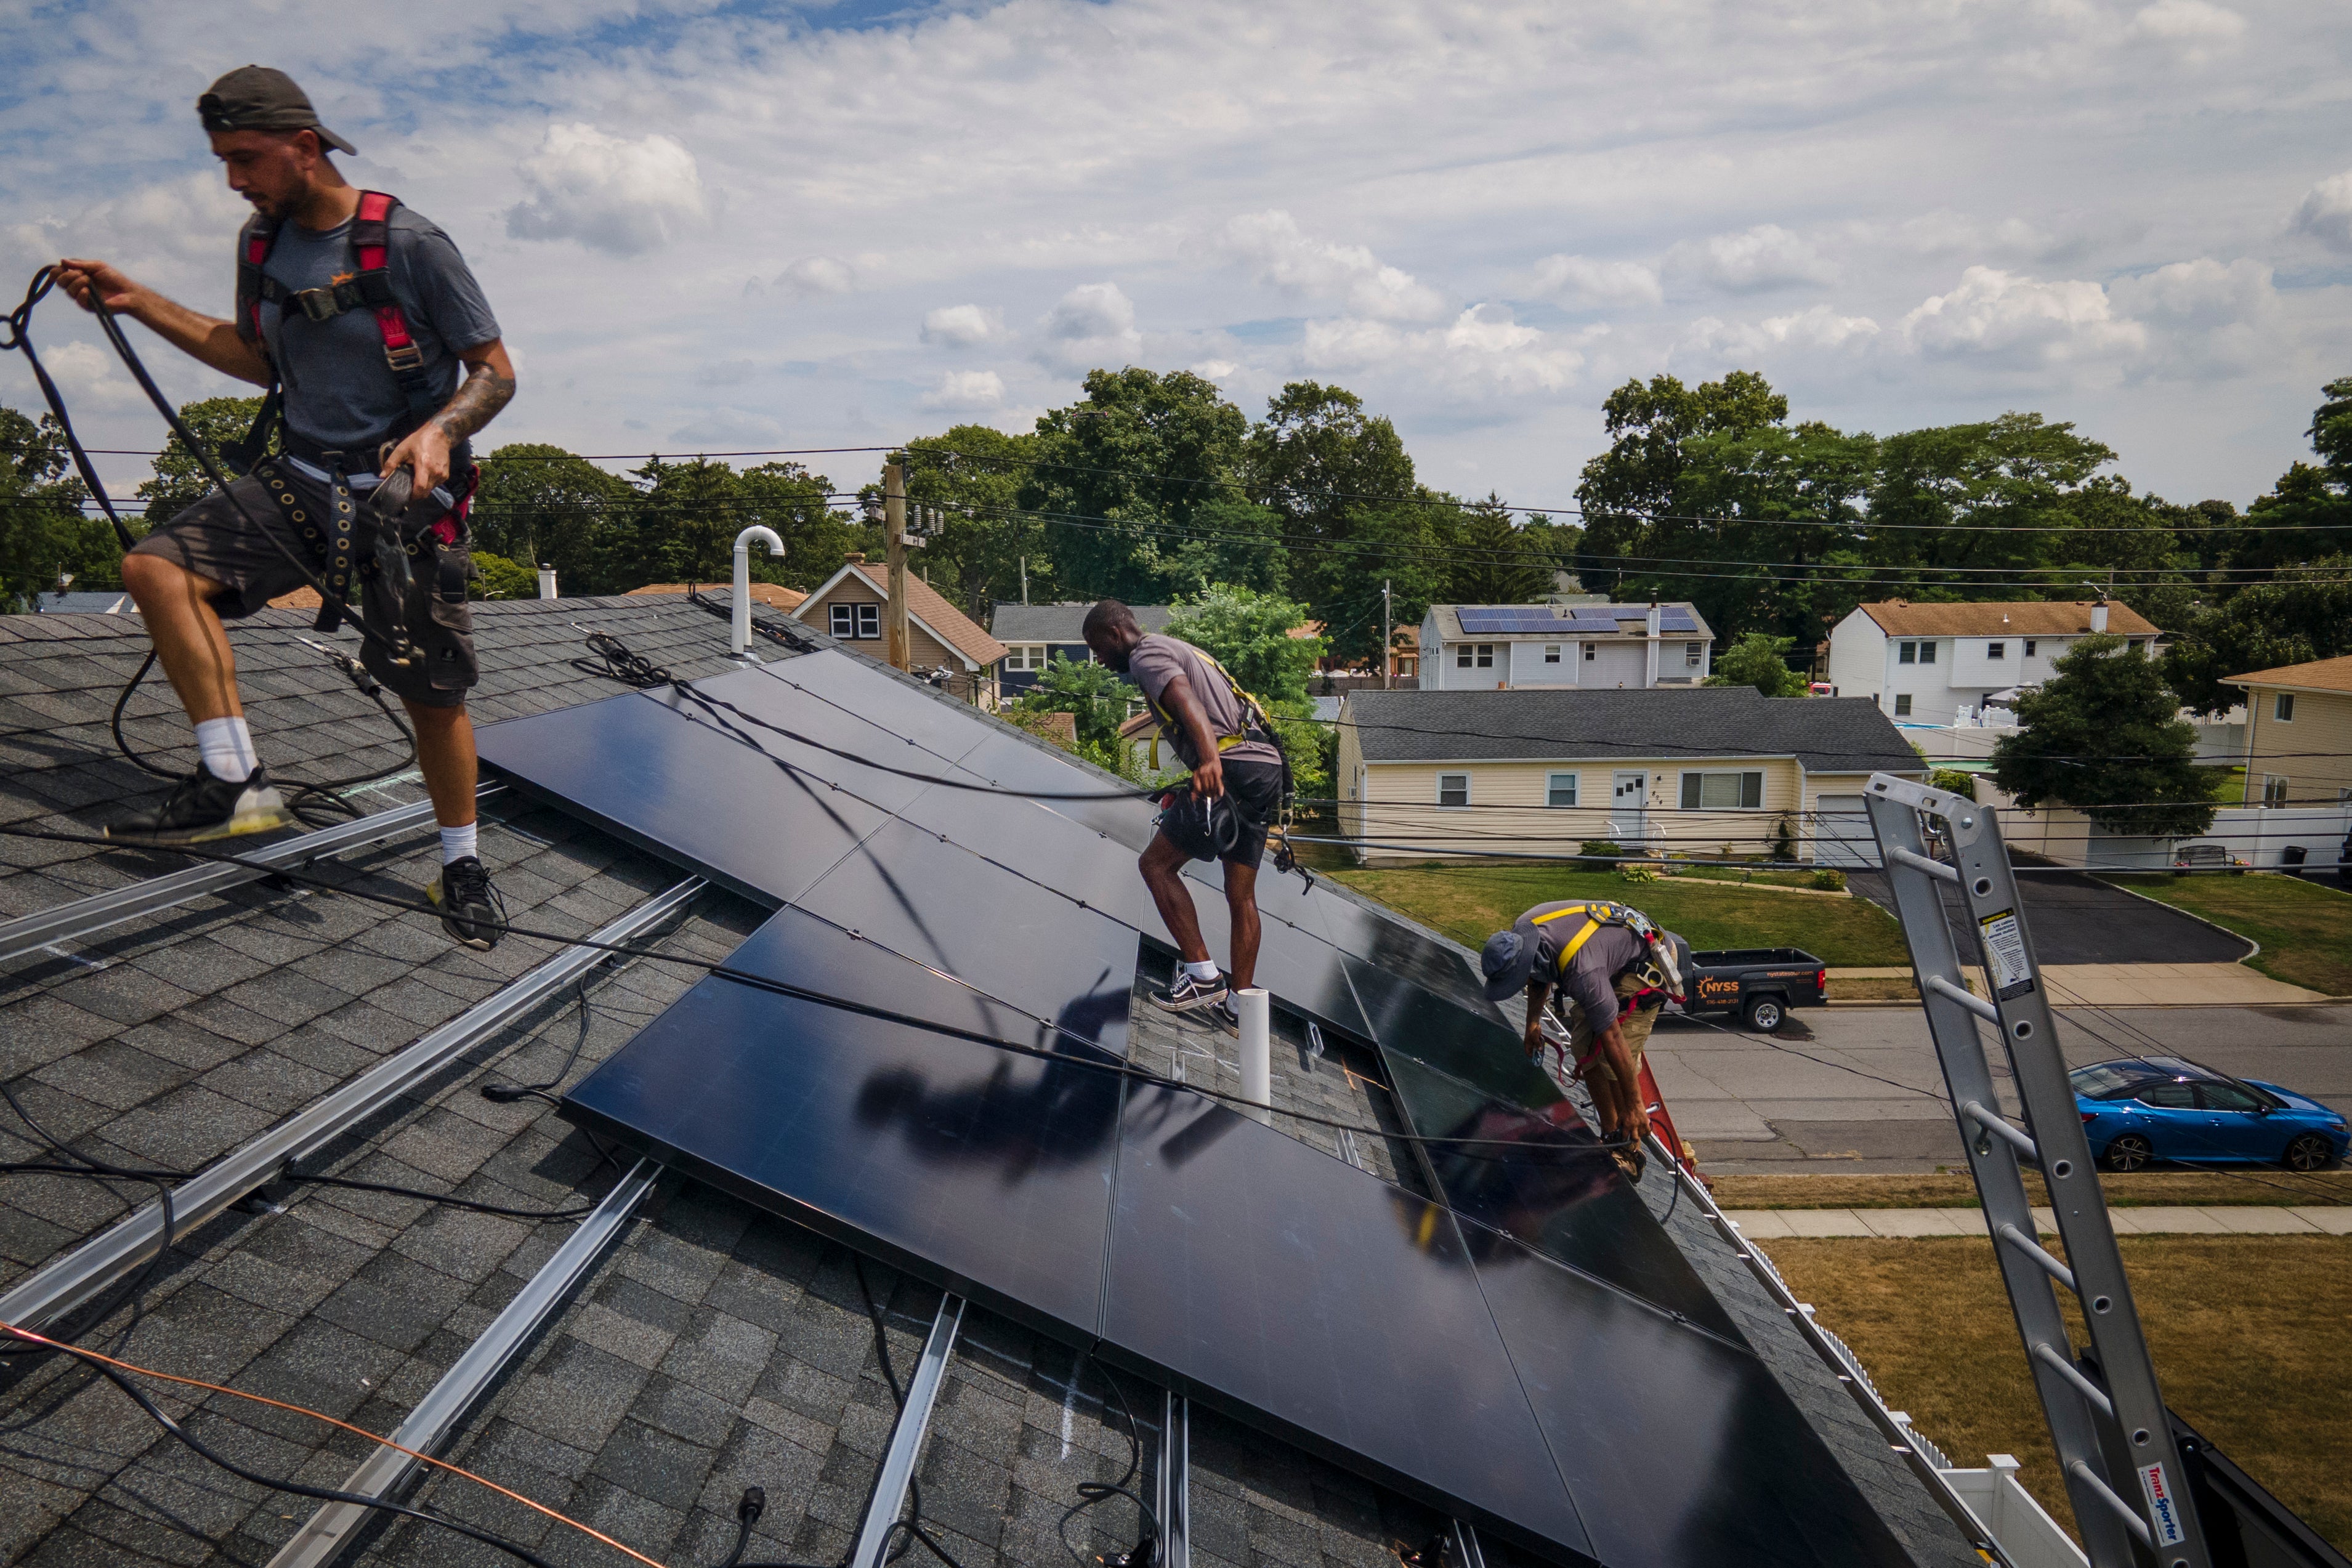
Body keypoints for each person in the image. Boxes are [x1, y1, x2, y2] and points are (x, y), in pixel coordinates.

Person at [55, 66, 515, 950]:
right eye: (224, 161)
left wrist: (439, 432)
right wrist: (136, 301)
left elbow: (494, 367)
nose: (234, 179)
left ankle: (461, 860)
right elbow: (257, 359)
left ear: (304, 147)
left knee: (429, 692)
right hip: (300, 481)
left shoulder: (412, 243)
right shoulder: (261, 246)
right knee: (156, 567)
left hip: (401, 505)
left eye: (247, 159)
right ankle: (234, 781)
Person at [1082, 600, 1288, 1032]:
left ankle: (1203, 978)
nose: (1097, 659)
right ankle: (1239, 1008)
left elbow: (1186, 700)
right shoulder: (1180, 647)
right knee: (1242, 896)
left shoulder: (1146, 655)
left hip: (1230, 768)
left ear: (1117, 633)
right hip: (1263, 769)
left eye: (1097, 647)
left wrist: (1209, 761)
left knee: (1155, 865)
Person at [1479, 900, 1692, 1173]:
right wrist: (1532, 1023)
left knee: (1608, 1057)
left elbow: (1614, 1037)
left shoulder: (1583, 970)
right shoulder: (1524, 933)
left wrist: (1636, 1105)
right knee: (1582, 1049)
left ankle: (1629, 1151)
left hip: (1644, 965)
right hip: (1606, 956)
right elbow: (1539, 975)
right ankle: (1611, 1135)